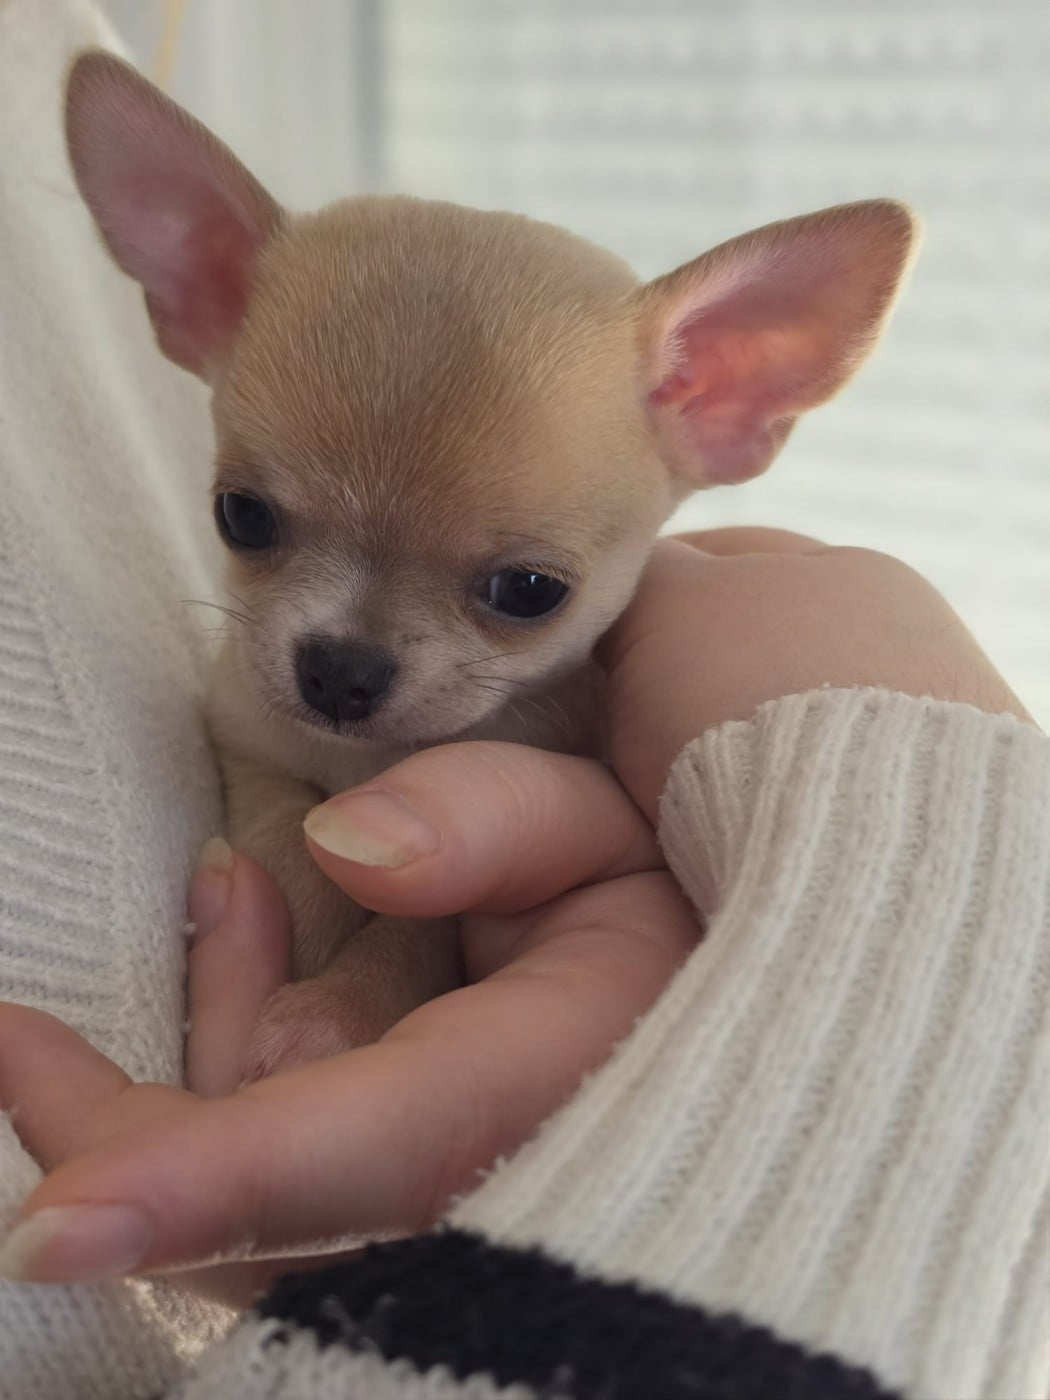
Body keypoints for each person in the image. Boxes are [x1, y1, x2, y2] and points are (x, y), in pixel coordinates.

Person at [0, 4, 1046, 1399]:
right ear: (205, 285)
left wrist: (382, 974)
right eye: (260, 520)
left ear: (721, 392)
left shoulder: (664, 718)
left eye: (516, 590)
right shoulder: (259, 683)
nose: (345, 652)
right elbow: (264, 772)